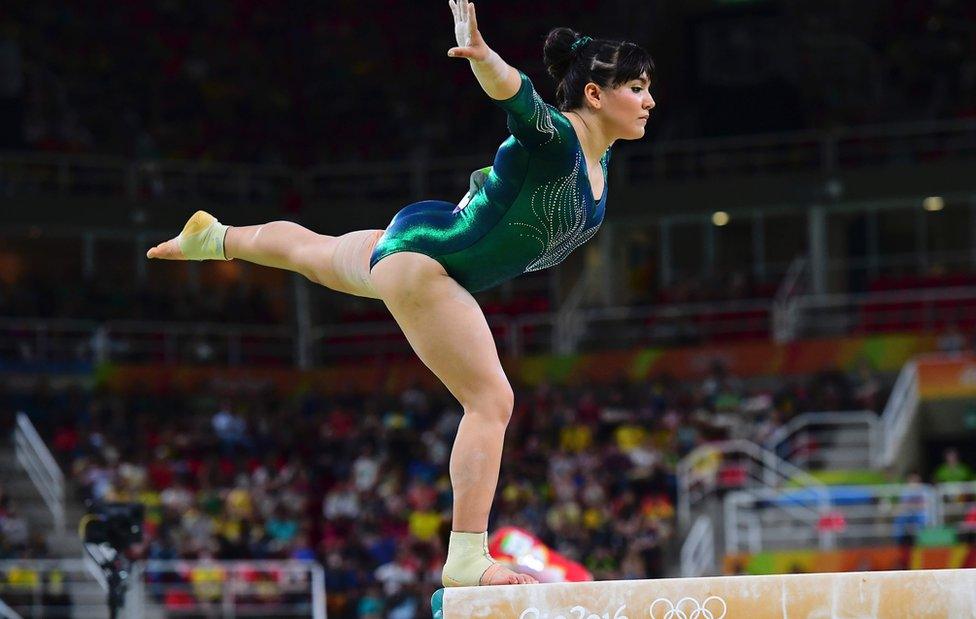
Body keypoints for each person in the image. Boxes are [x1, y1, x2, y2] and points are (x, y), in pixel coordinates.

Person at [147, 0, 655, 587]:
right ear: (595, 94)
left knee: (313, 254)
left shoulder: (599, 165)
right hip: (429, 263)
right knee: (491, 401)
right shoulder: (559, 138)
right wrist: (484, 55)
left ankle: (216, 238)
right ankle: (467, 557)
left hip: (425, 247)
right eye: (637, 87)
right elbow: (516, 96)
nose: (649, 101)